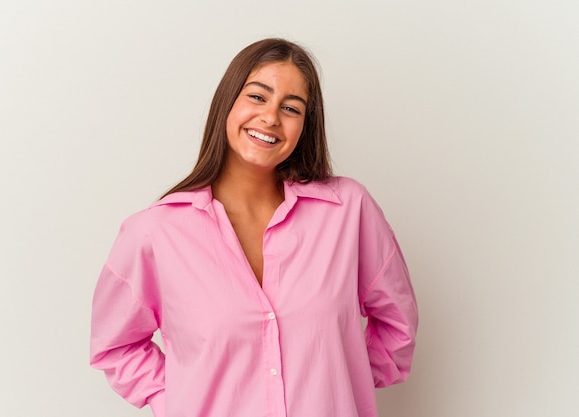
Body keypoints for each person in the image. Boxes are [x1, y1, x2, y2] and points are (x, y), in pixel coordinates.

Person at [90, 38, 418, 417]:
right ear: (227, 101)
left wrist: (343, 382)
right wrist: (179, 398)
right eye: (258, 97)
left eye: (291, 108)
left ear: (305, 126)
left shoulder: (348, 211)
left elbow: (399, 323)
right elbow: (115, 344)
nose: (271, 118)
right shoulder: (154, 233)